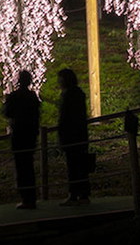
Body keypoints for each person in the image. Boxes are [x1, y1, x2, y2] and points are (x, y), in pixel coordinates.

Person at [2, 70, 40, 209]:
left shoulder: (14, 96)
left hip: (19, 134)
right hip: (30, 135)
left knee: (21, 167)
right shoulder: (33, 97)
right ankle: (32, 197)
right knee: (29, 166)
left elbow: (7, 113)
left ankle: (26, 198)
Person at [56, 68, 91, 205]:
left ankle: (74, 195)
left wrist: (61, 135)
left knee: (73, 166)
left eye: (60, 79)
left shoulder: (68, 95)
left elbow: (65, 118)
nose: (58, 82)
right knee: (81, 166)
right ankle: (83, 195)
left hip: (71, 136)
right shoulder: (79, 93)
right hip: (81, 135)